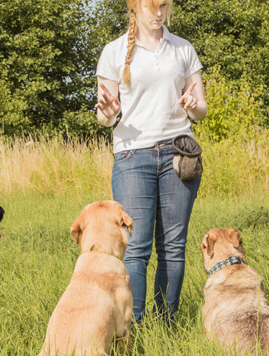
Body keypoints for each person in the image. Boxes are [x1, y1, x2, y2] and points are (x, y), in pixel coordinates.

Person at [94, 0, 206, 324]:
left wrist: (193, 104)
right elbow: (104, 116)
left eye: (164, 6)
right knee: (136, 248)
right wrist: (109, 112)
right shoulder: (114, 52)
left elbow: (201, 111)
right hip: (132, 155)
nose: (158, 13)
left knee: (173, 247)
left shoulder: (183, 49)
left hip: (178, 155)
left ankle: (166, 325)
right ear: (135, 5)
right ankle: (135, 329)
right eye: (151, 6)